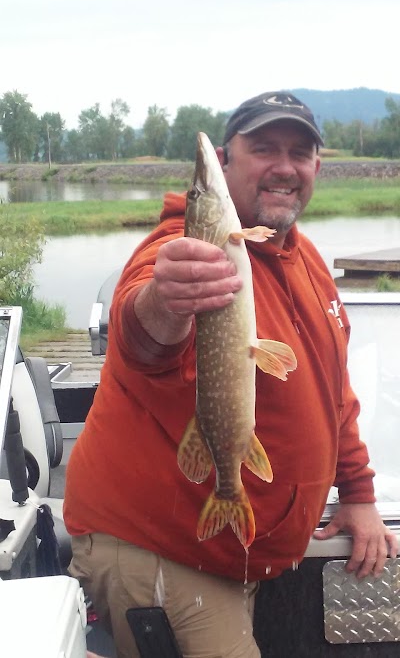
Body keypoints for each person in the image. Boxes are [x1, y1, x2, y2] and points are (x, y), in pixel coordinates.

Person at [64, 91, 398, 658]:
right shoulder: (182, 248)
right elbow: (141, 339)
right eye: (264, 148)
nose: (284, 167)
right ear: (224, 163)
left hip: (238, 544)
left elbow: (332, 390)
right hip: (163, 550)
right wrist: (167, 301)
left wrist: (359, 493)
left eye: (300, 152)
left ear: (318, 166)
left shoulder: (305, 257)